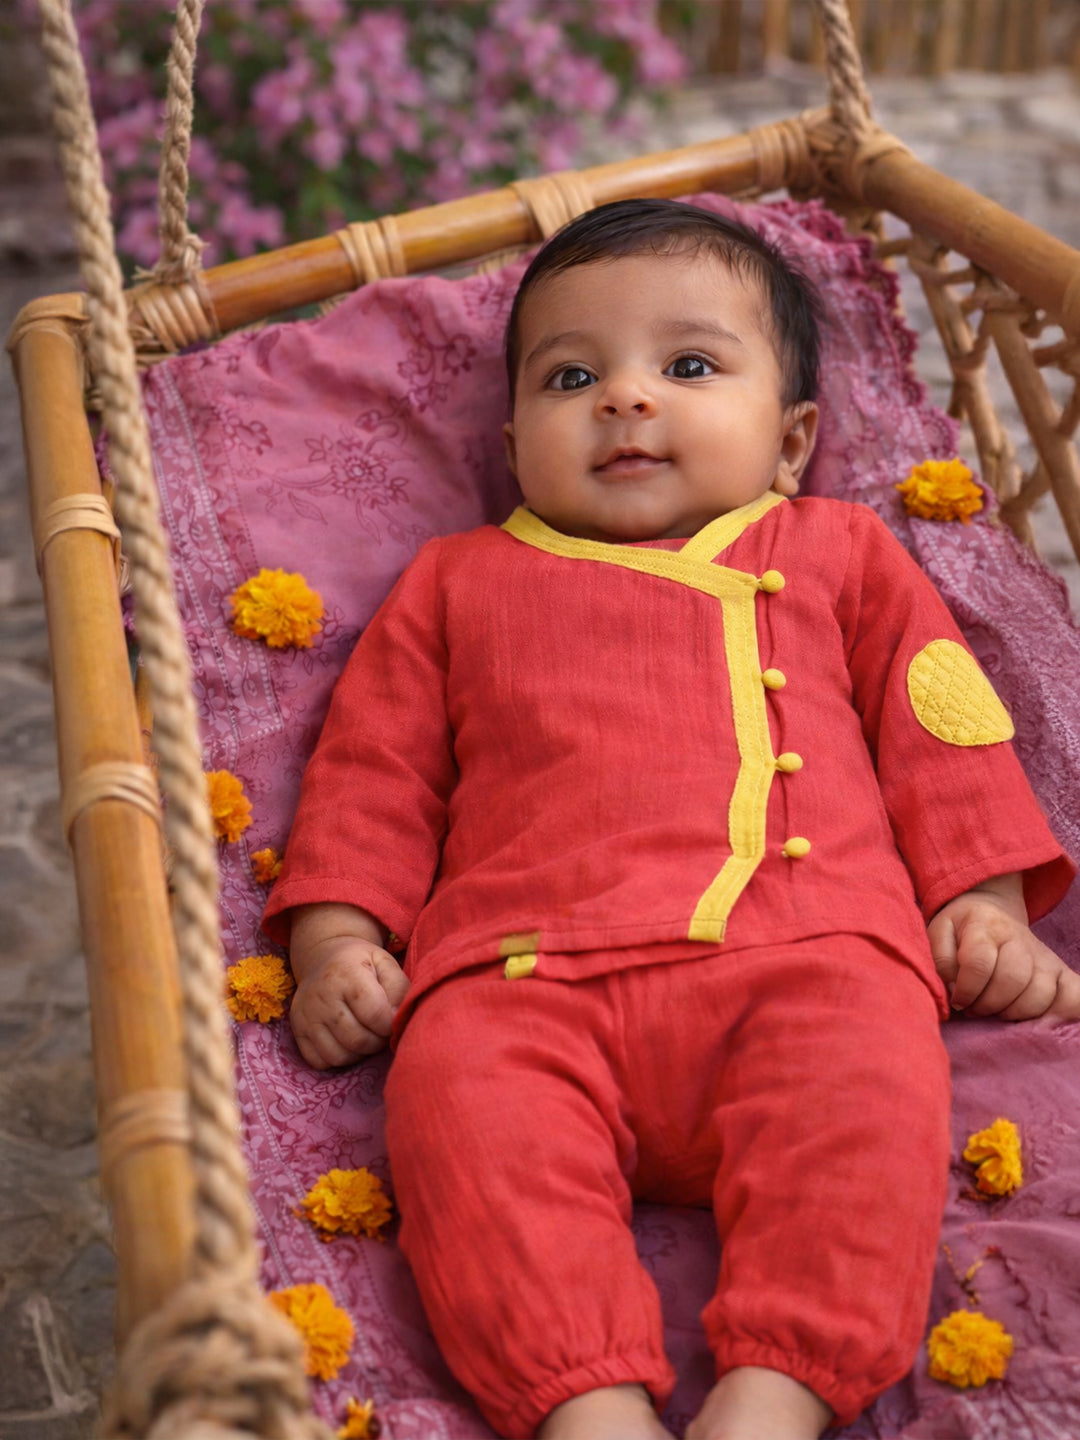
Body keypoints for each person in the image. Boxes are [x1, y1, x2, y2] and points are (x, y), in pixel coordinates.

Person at [262, 200, 1078, 1440]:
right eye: (571, 377)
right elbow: (371, 771)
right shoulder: (456, 583)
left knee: (867, 1107)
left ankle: (777, 1394)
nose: (627, 398)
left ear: (792, 441)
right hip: (521, 975)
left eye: (689, 366)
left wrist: (983, 903)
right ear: (515, 442)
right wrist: (336, 938)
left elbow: (943, 726)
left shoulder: (841, 551)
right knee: (461, 1119)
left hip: (810, 954)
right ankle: (585, 1405)